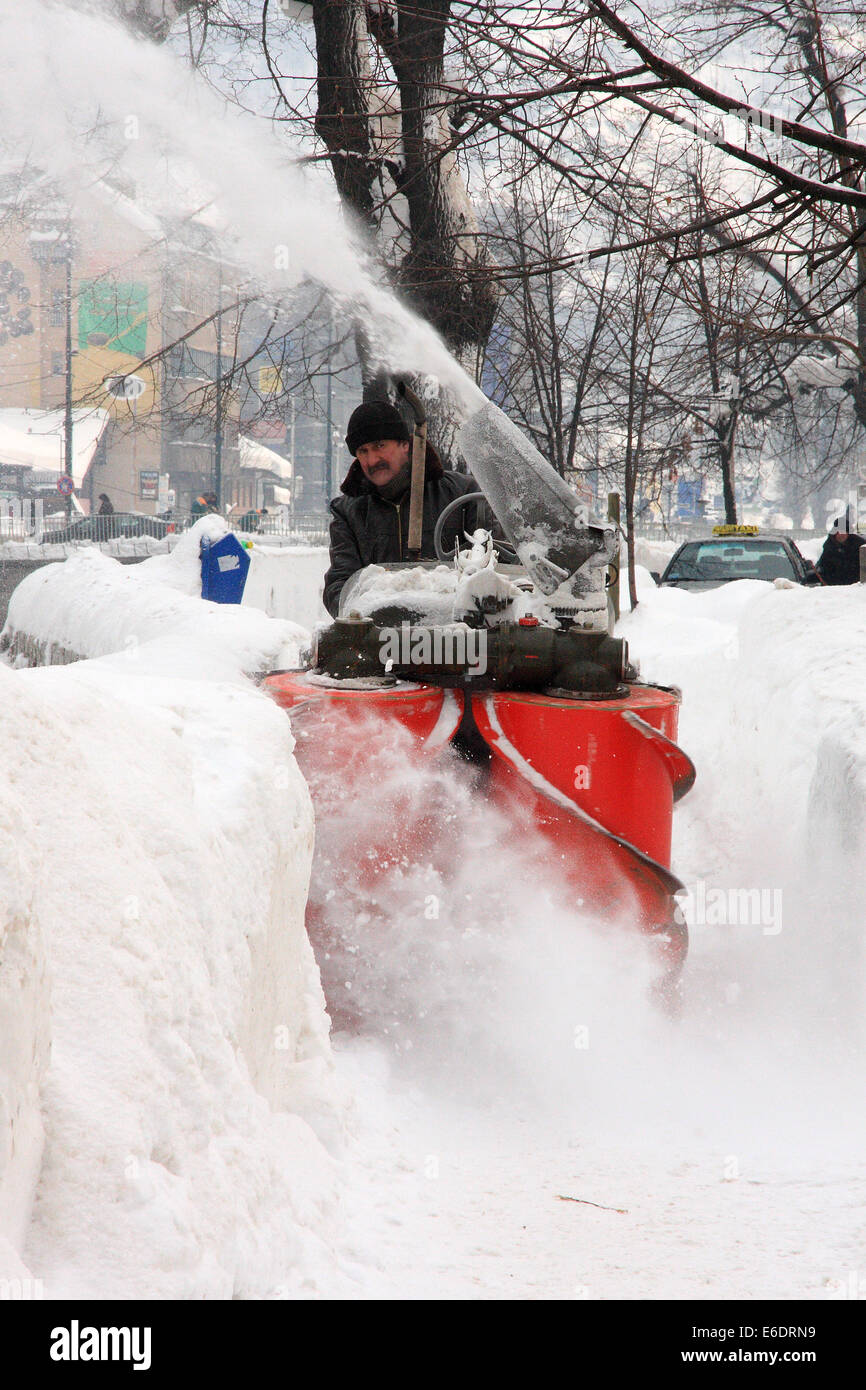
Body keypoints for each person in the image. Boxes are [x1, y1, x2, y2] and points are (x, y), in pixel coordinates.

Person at [323, 399, 482, 617]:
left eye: (380, 446)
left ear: (405, 445)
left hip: (456, 636)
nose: (372, 459)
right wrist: (361, 616)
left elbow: (490, 570)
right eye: (363, 451)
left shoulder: (462, 494)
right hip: (380, 639)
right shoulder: (348, 512)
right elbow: (340, 585)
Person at [816, 513, 866, 586]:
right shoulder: (829, 547)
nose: (841, 535)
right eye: (838, 531)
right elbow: (823, 568)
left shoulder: (859, 545)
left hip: (856, 587)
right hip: (834, 588)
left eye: (844, 531)